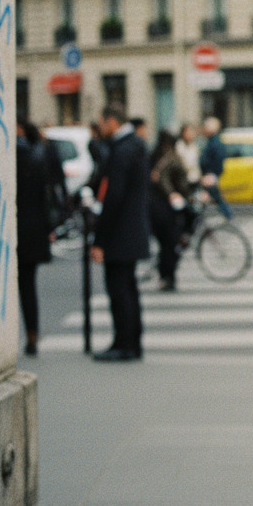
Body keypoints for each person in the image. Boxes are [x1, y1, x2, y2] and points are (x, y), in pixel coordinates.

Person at [91, 103, 151, 362]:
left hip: (120, 232)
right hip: (133, 229)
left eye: (102, 123)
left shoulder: (122, 149)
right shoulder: (136, 145)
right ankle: (132, 342)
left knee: (119, 291)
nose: (100, 128)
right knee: (129, 289)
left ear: (112, 121)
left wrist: (100, 240)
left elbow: (113, 196)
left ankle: (124, 344)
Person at [16, 122, 53, 356]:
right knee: (28, 287)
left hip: (13, 228)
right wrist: (48, 229)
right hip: (33, 231)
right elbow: (45, 198)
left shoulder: (10, 156)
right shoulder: (37, 156)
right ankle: (32, 335)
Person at [148, 130, 190, 291]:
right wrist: (173, 194)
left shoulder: (154, 157)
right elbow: (170, 182)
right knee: (170, 244)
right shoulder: (170, 159)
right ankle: (168, 276)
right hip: (168, 207)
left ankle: (165, 276)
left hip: (156, 207)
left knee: (165, 244)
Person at [199, 116, 232, 220]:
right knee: (210, 198)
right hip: (208, 176)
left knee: (214, 198)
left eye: (205, 127)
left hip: (209, 176)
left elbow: (217, 161)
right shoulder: (211, 141)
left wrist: (211, 174)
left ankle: (228, 216)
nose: (203, 129)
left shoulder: (215, 143)